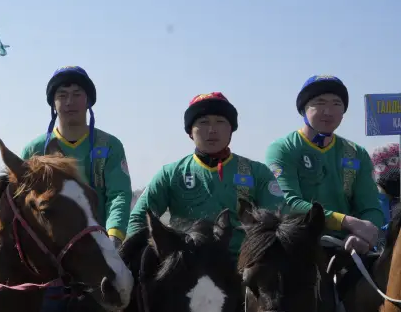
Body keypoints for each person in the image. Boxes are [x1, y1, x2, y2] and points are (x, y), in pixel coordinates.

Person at [128, 92, 284, 256]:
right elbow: (138, 218)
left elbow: (279, 221)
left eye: (220, 122)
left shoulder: (257, 172)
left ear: (231, 129)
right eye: (203, 122)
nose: (212, 130)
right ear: (190, 131)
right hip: (185, 264)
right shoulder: (170, 174)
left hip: (241, 264)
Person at [265, 76, 384, 255]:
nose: (328, 111)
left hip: (347, 247)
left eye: (337, 104)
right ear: (303, 109)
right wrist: (346, 222)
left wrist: (364, 235)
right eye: (319, 103)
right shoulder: (283, 148)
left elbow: (371, 206)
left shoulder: (356, 153)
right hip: (297, 250)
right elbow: (288, 203)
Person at [21, 66, 132, 246]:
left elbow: (119, 194)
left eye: (77, 94)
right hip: (49, 249)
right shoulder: (34, 150)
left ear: (88, 100)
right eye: (62, 95)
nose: (69, 101)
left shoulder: (109, 145)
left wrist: (113, 238)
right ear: (53, 103)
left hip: (100, 245)